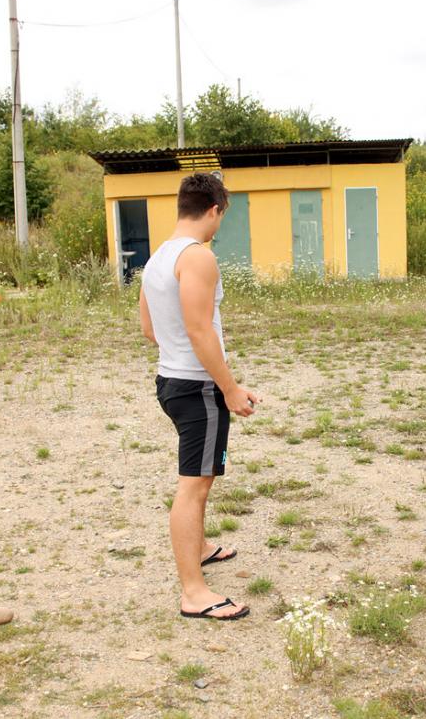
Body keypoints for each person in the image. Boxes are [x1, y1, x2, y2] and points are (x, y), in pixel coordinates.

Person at [139, 173, 260, 620]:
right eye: (221, 216)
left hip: (171, 382)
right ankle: (194, 593)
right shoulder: (198, 257)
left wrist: (187, 362)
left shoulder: (157, 258)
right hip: (198, 388)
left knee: (199, 479)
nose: (219, 225)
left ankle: (202, 546)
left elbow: (150, 329)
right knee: (195, 485)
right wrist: (229, 388)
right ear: (214, 209)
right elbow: (199, 329)